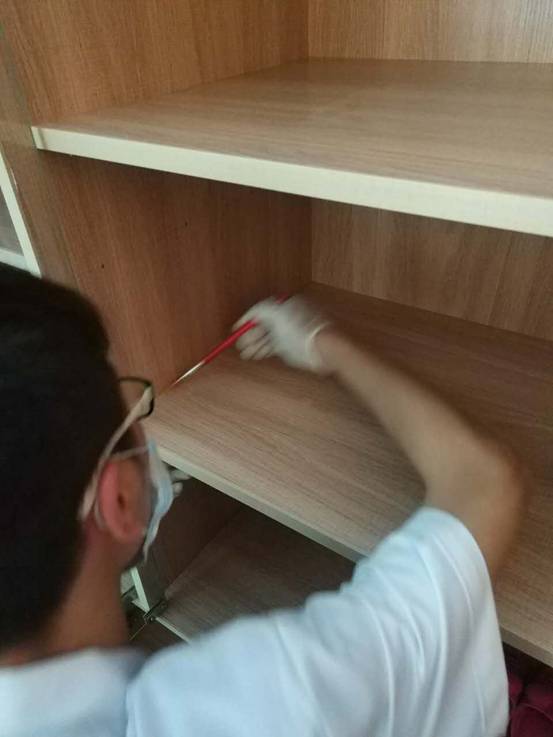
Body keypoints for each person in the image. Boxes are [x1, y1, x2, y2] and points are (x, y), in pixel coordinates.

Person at [0, 263, 526, 737]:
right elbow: (485, 483)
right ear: (117, 500)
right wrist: (324, 342)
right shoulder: (266, 704)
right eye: (132, 408)